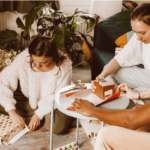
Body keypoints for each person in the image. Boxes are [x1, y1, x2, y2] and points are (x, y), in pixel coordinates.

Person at [71, 3, 150, 150]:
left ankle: (119, 107)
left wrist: (138, 95)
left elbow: (131, 121)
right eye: (135, 32)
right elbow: (121, 59)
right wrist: (100, 76)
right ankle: (108, 98)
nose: (138, 37)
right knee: (111, 70)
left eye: (142, 33)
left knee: (109, 133)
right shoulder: (140, 38)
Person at [0, 36, 72, 134]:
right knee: (4, 96)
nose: (37, 66)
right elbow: (3, 80)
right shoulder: (24, 57)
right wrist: (11, 111)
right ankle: (36, 113)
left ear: (53, 56)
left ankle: (37, 114)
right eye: (34, 60)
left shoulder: (64, 64)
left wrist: (39, 114)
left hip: (53, 99)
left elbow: (59, 94)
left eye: (44, 62)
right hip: (29, 97)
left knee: (57, 127)